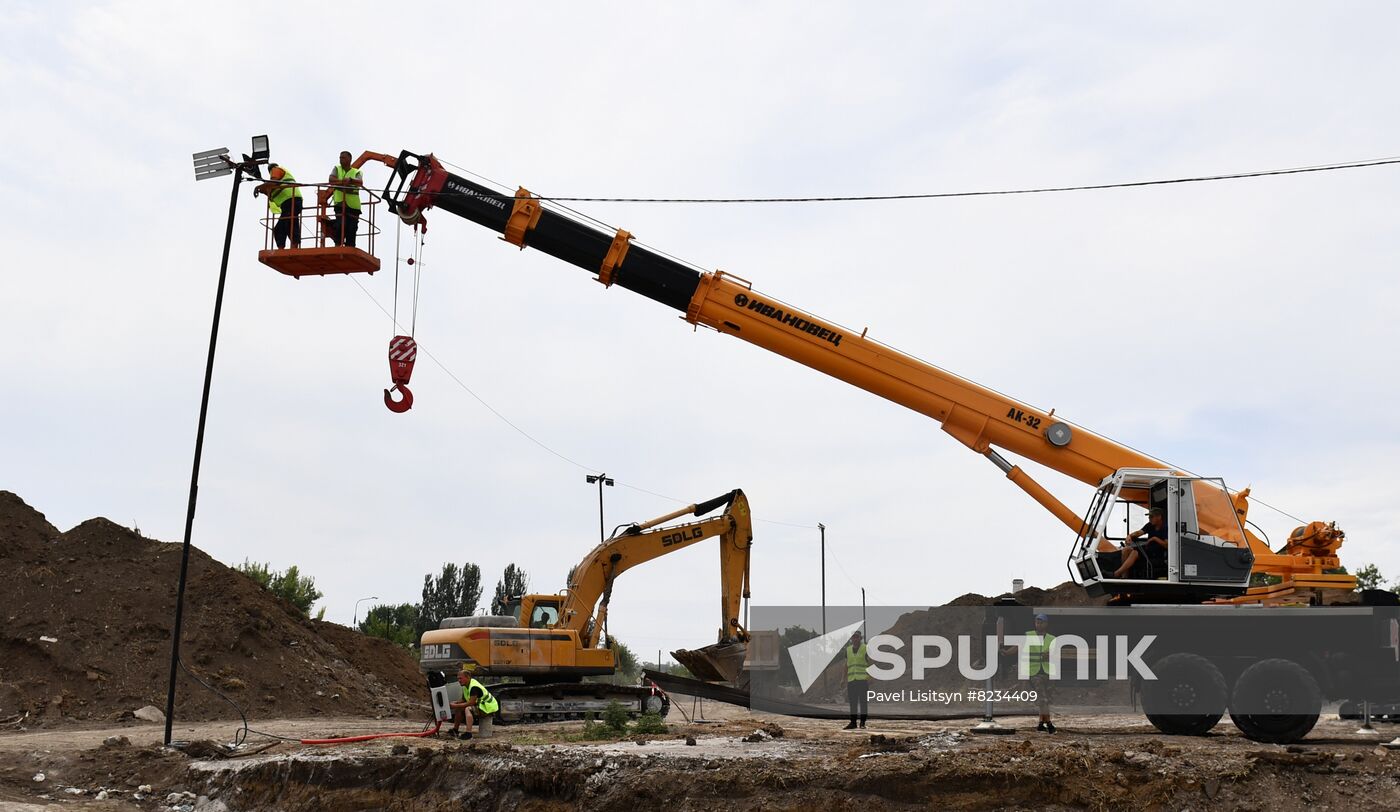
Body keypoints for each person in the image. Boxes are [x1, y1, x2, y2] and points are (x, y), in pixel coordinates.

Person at [320, 150, 363, 248]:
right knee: (340, 225)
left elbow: (359, 182)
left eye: (343, 157)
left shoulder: (357, 172)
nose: (340, 159)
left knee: (352, 228)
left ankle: (350, 247)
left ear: (349, 159)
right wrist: (344, 182)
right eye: (340, 157)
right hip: (340, 203)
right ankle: (338, 245)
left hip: (353, 206)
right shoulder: (337, 168)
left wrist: (351, 180)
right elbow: (331, 180)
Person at [1111, 507, 1169, 579]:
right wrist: (1129, 536)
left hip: (1157, 553)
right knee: (1126, 550)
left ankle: (1116, 573)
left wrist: (1155, 538)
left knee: (1135, 552)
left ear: (1159, 517)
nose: (1149, 519)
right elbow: (1139, 532)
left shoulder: (1166, 527)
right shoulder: (1150, 525)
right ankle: (1124, 577)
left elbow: (1167, 545)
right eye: (1149, 517)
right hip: (1148, 550)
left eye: (1151, 517)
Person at [255, 164, 303, 249]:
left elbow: (274, 182)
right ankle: (286, 247)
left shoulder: (276, 169)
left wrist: (259, 187)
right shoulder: (278, 180)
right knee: (284, 225)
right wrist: (264, 189)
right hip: (289, 202)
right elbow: (271, 191)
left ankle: (292, 247)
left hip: (292, 199)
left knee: (288, 223)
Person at [1025, 613, 1056, 734]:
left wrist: (1049, 655)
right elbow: (1019, 646)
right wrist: (1006, 652)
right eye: (1037, 622)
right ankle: (1049, 724)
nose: (1038, 624)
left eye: (1041, 622)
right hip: (1035, 672)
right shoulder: (1029, 635)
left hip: (1048, 672)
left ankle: (1040, 724)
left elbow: (1056, 654)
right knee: (1043, 700)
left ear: (1046, 624)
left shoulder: (1052, 639)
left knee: (1046, 699)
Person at [447, 666, 499, 740]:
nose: (459, 680)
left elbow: (470, 703)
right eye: (458, 678)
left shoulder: (474, 687)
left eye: (460, 678)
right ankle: (455, 730)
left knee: (468, 709)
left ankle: (468, 733)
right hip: (481, 705)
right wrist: (455, 703)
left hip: (488, 707)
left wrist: (454, 705)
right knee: (459, 708)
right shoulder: (465, 686)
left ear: (467, 677)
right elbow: (463, 700)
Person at [844, 630, 869, 730]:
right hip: (851, 680)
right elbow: (846, 665)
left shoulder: (866, 648)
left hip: (862, 680)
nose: (855, 639)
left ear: (860, 638)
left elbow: (871, 662)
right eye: (853, 637)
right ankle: (853, 722)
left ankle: (862, 723)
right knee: (852, 702)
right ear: (851, 639)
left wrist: (871, 676)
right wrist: (843, 678)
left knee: (863, 702)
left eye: (857, 637)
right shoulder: (848, 650)